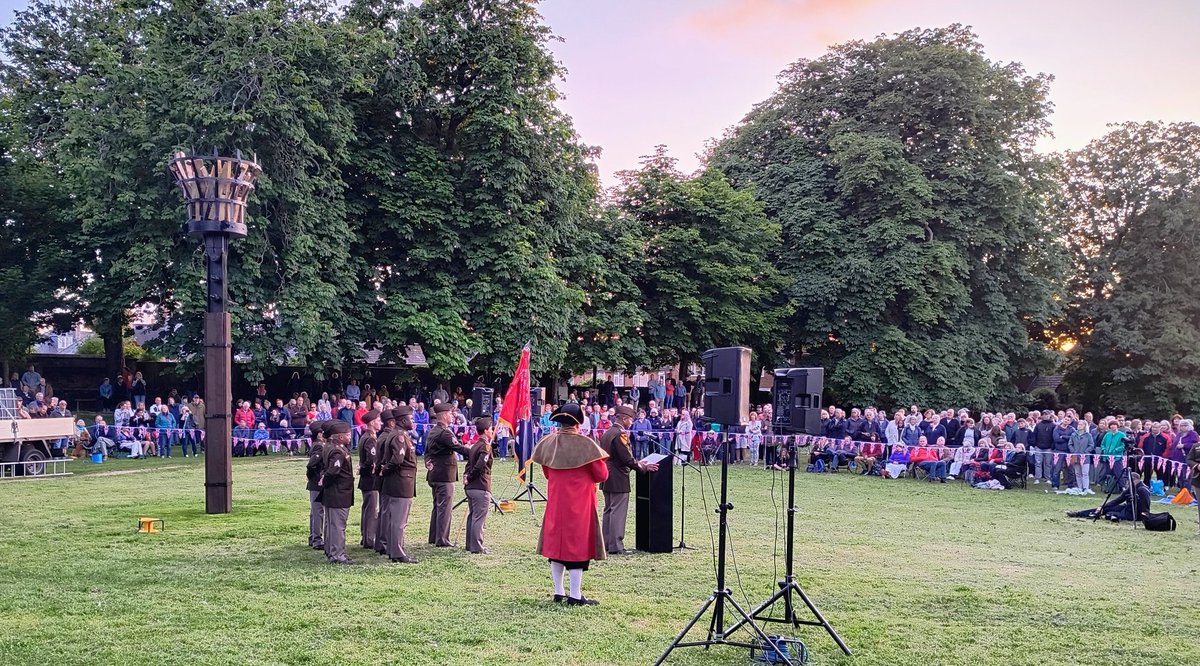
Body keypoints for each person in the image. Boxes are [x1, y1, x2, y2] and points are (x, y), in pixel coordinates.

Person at [532, 403, 609, 606]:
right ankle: (575, 595)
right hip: (580, 503)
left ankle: (558, 591)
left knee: (556, 547)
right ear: (578, 423)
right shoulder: (586, 444)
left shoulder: (548, 442)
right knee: (577, 547)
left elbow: (547, 472)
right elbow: (602, 475)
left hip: (556, 502)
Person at [599, 405, 658, 555]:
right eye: (630, 420)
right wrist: (643, 467)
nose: (631, 423)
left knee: (609, 510)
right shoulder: (620, 434)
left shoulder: (608, 433)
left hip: (606, 474)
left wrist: (637, 463)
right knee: (617, 512)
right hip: (618, 476)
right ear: (624, 419)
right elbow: (626, 458)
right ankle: (616, 546)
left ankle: (606, 543)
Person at [425, 402, 469, 547]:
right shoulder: (445, 432)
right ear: (444, 415)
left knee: (437, 506)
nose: (452, 415)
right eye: (450, 413)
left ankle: (434, 536)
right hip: (444, 475)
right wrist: (476, 452)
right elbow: (459, 448)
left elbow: (427, 452)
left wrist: (428, 463)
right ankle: (442, 539)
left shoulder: (433, 431)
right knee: (445, 507)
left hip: (435, 474)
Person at [379, 406, 419, 563]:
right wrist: (385, 470)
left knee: (396, 519)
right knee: (399, 520)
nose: (413, 421)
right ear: (403, 421)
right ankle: (397, 552)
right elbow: (397, 460)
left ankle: (393, 549)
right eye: (411, 419)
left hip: (399, 480)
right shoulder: (399, 436)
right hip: (401, 481)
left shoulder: (398, 434)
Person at [464, 416, 496, 554]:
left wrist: (466, 476)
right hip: (480, 485)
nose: (492, 431)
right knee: (479, 517)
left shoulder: (475, 445)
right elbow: (479, 465)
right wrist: (470, 476)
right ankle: (477, 546)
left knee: (473, 516)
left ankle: (470, 544)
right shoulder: (485, 446)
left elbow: (469, 464)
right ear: (486, 431)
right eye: (491, 429)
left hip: (471, 487)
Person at [1066, 472, 1151, 523]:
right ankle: (1079, 513)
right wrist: (1102, 506)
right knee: (1106, 508)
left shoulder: (1142, 490)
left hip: (1134, 514)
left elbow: (1145, 508)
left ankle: (1111, 515)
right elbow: (1117, 501)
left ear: (1133, 480)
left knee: (1109, 513)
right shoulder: (1131, 489)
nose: (1127, 482)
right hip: (1127, 509)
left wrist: (1143, 518)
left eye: (1128, 480)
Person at [356, 409, 382, 551]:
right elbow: (372, 459)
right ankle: (369, 539)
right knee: (371, 510)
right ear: (372, 423)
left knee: (367, 508)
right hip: (371, 478)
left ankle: (366, 536)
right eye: (378, 420)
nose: (380, 423)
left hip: (367, 478)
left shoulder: (366, 436)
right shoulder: (370, 439)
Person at [304, 422, 327, 550]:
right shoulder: (319, 446)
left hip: (314, 482)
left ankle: (313, 537)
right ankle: (317, 539)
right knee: (318, 511)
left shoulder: (317, 445)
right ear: (319, 434)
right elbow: (311, 465)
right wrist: (315, 477)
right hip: (317, 482)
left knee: (315, 511)